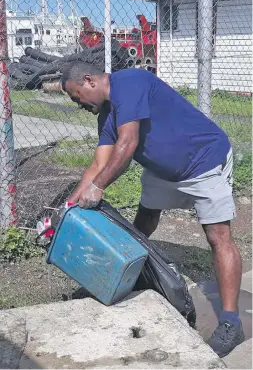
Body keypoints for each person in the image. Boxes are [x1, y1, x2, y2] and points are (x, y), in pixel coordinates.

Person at [61, 62, 244, 358]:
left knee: (218, 236)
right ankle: (122, 278)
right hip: (164, 171)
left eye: (76, 96)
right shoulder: (106, 116)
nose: (78, 104)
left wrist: (99, 187)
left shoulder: (131, 81)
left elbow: (128, 142)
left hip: (204, 161)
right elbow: (97, 166)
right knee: (144, 221)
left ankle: (231, 322)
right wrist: (66, 210)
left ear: (88, 81)